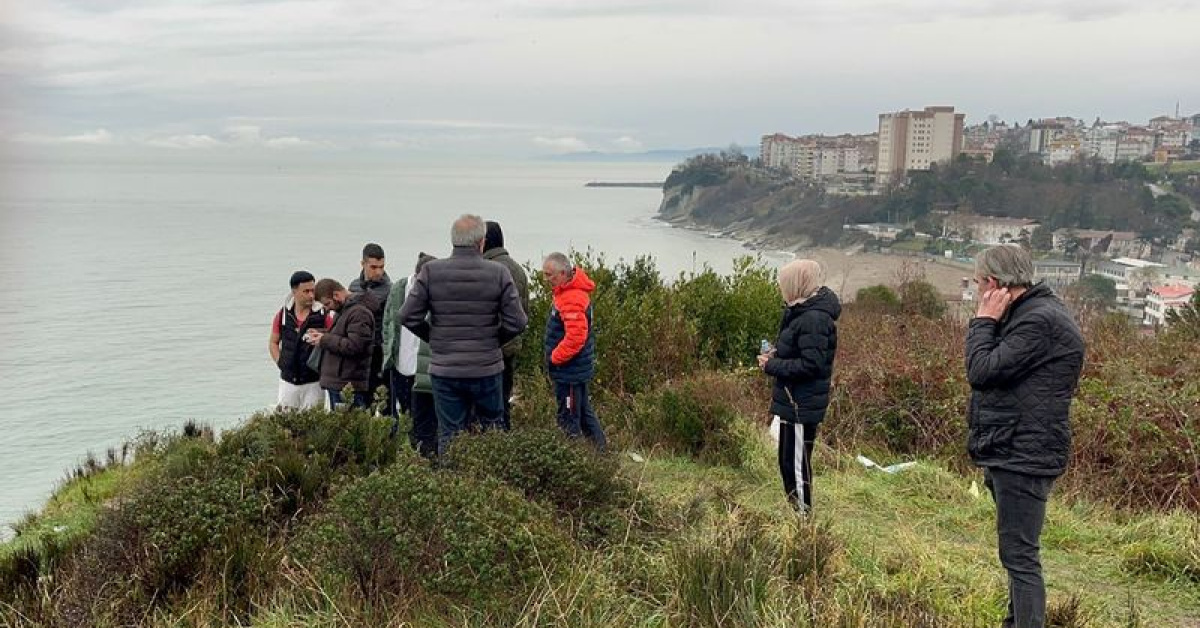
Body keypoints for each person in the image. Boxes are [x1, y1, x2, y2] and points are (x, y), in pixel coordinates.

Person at [966, 244, 1084, 628]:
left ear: (993, 283)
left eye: (976, 282)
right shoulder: (1029, 314)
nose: (973, 290)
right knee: (1016, 554)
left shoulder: (1038, 321)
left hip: (1024, 453)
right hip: (1012, 446)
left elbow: (981, 371)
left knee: (1020, 556)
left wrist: (983, 321)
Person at [400, 214, 527, 455]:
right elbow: (518, 321)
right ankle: (493, 484)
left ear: (453, 241)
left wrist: (435, 339)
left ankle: (454, 483)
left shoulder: (430, 272)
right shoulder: (498, 273)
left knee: (449, 432)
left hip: (446, 370)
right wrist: (493, 341)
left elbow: (407, 316)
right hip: (487, 368)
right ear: (481, 243)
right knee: (492, 429)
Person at [757, 259, 840, 514]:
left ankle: (803, 523)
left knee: (795, 465)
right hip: (792, 401)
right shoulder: (799, 311)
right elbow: (799, 353)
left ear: (797, 284)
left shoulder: (813, 318)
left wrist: (772, 366)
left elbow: (810, 365)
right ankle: (797, 515)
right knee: (787, 461)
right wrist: (775, 355)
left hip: (801, 404)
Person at [542, 252, 606, 450]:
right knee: (584, 413)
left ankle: (575, 461)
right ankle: (601, 453)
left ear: (563, 273)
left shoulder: (571, 299)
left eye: (550, 275)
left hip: (569, 371)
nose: (547, 280)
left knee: (568, 417)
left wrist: (554, 357)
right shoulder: (568, 293)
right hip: (575, 369)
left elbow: (576, 337)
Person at [382, 252, 438, 455]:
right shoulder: (398, 288)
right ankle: (412, 456)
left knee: (424, 418)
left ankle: (424, 455)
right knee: (405, 414)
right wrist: (388, 352)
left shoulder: (437, 291)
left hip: (424, 368)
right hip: (400, 364)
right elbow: (388, 323)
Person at [482, 221, 530, 429]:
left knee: (485, 406)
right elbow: (524, 312)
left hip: (488, 349)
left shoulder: (486, 269)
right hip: (510, 347)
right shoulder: (518, 270)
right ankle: (505, 442)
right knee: (503, 400)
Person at [308, 278, 381, 410]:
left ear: (336, 295)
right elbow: (342, 334)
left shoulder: (359, 313)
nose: (326, 309)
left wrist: (324, 340)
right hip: (340, 381)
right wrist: (321, 334)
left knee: (349, 428)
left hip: (348, 384)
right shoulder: (345, 310)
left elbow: (355, 345)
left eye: (327, 303)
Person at [268, 270, 329, 409]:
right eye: (306, 291)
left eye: (312, 291)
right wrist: (281, 362)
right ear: (294, 292)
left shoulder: (323, 314)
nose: (311, 295)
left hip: (314, 381)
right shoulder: (283, 315)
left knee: (314, 423)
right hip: (288, 382)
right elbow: (273, 342)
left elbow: (333, 339)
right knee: (286, 423)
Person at [349, 243, 392, 406]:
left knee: (383, 401)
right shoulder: (353, 286)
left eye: (381, 267)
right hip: (358, 352)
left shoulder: (389, 289)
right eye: (373, 267)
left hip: (378, 351)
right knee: (360, 400)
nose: (378, 272)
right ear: (363, 264)